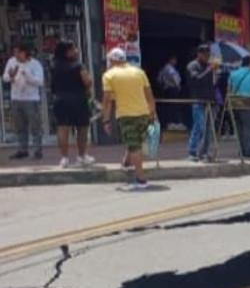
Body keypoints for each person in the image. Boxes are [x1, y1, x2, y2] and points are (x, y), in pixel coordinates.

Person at [101, 48, 156, 190]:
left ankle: (141, 179)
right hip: (143, 114)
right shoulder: (139, 72)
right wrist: (152, 112)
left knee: (134, 146)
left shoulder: (109, 75)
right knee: (135, 140)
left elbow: (107, 100)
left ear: (113, 60)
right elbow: (149, 94)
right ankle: (126, 161)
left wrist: (106, 120)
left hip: (126, 116)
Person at [51, 40, 93, 168]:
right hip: (78, 99)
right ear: (67, 52)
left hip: (60, 99)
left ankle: (64, 158)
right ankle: (82, 156)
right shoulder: (78, 65)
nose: (76, 51)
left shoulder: (54, 65)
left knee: (62, 128)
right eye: (74, 48)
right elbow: (87, 81)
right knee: (82, 128)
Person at [3, 43, 45, 160]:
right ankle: (22, 149)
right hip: (16, 98)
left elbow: (39, 82)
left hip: (31, 99)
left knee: (35, 126)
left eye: (19, 52)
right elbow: (5, 77)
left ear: (25, 52)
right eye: (15, 52)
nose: (16, 55)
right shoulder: (12, 62)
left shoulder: (35, 64)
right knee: (20, 126)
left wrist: (27, 75)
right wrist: (11, 76)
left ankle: (37, 150)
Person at [186, 44, 218, 161]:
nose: (207, 57)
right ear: (199, 54)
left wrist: (214, 73)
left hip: (209, 101)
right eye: (205, 54)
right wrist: (209, 70)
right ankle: (192, 151)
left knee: (208, 128)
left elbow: (212, 84)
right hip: (197, 101)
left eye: (208, 55)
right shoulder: (192, 66)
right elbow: (196, 80)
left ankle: (204, 152)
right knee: (199, 126)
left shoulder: (208, 66)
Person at [155, 54, 182, 130]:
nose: (175, 62)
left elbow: (159, 79)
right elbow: (174, 77)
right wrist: (178, 86)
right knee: (173, 106)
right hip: (172, 89)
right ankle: (172, 123)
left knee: (169, 106)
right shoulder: (170, 68)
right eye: (174, 60)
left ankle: (170, 122)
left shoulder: (163, 69)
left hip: (166, 89)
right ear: (171, 60)